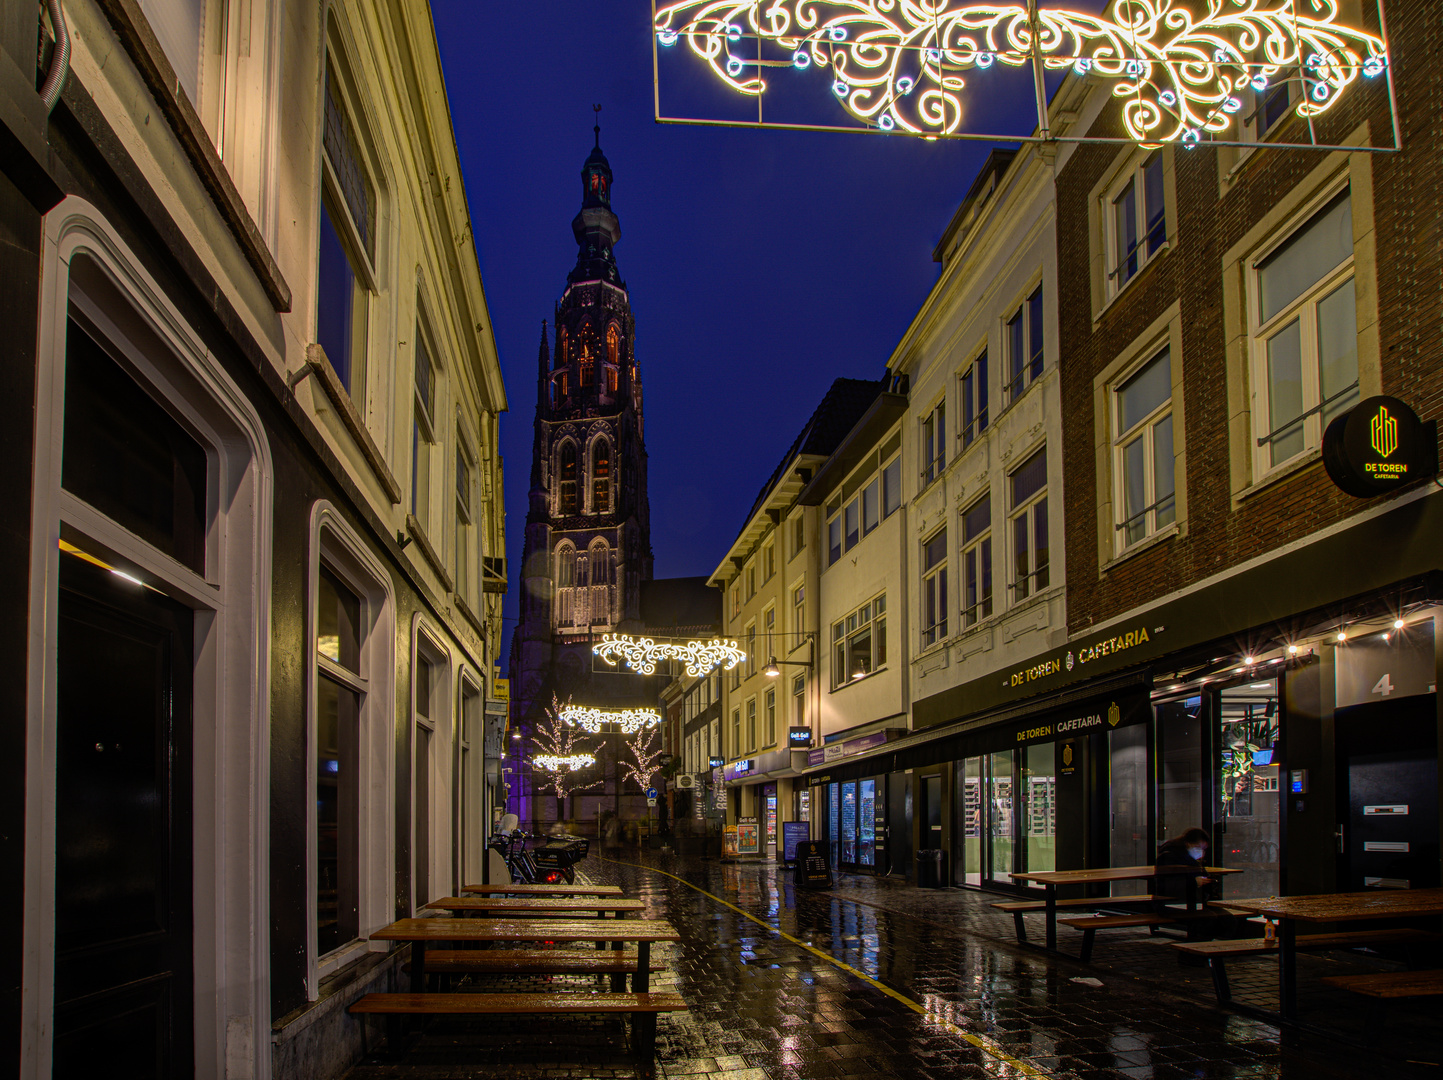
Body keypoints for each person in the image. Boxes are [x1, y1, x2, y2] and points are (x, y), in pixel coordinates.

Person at [1155, 827, 1217, 905]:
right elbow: (1167, 885)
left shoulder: (1192, 860)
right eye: (1198, 847)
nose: (1201, 851)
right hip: (1175, 903)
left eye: (1203, 849)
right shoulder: (1168, 857)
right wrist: (1194, 882)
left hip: (1192, 902)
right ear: (1188, 843)